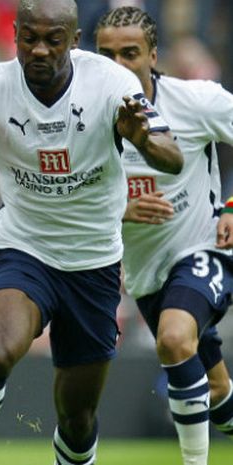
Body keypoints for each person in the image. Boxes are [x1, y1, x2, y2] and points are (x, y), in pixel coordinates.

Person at [0, 1, 184, 464]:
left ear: (74, 41)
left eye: (53, 40)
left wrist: (142, 140)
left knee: (77, 421)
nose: (39, 50)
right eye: (29, 38)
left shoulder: (113, 84)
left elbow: (170, 155)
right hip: (24, 248)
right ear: (14, 34)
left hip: (93, 262)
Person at [95, 6, 233, 464]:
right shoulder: (82, 123)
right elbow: (61, 202)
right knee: (214, 391)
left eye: (130, 53)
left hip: (204, 248)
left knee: (174, 339)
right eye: (106, 54)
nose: (118, 66)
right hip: (146, 276)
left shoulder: (197, 102)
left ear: (153, 55)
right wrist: (120, 210)